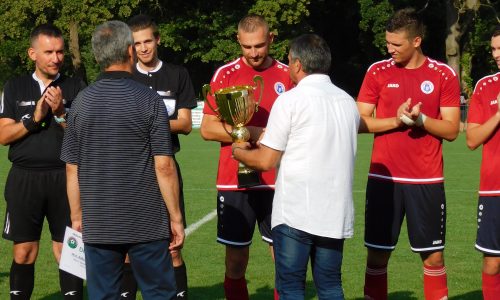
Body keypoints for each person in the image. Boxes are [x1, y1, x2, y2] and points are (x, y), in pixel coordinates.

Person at [60, 20, 184, 299]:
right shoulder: (149, 100)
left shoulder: (81, 102)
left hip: (99, 221)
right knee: (159, 293)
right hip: (147, 221)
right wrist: (175, 218)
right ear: (130, 51)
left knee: (103, 295)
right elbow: (163, 165)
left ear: (96, 56)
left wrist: (77, 216)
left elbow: (71, 167)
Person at [232, 33, 359, 299]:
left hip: (296, 212)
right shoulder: (348, 102)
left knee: (290, 287)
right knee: (331, 286)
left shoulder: (290, 100)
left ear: (298, 64)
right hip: (335, 212)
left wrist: (239, 151)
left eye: (289, 61)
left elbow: (267, 160)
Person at [357, 8, 460, 300]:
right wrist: (396, 121)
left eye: (397, 44)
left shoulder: (443, 74)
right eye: (388, 43)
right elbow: (359, 121)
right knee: (376, 257)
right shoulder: (377, 71)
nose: (390, 50)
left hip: (426, 181)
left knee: (433, 259)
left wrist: (421, 120)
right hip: (383, 180)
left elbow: (452, 130)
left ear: (416, 41)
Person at [200, 14, 293, 300]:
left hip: (278, 180)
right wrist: (249, 131)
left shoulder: (289, 75)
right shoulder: (224, 75)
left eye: (260, 46)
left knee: (285, 259)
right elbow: (207, 128)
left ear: (272, 39)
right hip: (234, 180)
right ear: (238, 41)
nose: (253, 53)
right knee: (236, 261)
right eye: (247, 46)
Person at [0, 24, 85, 299]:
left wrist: (61, 112)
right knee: (24, 252)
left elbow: (85, 136)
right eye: (48, 52)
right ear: (32, 53)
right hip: (25, 179)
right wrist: (34, 118)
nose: (56, 58)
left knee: (68, 252)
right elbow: (3, 135)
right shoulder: (15, 87)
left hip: (66, 178)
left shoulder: (75, 86)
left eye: (60, 51)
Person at [116, 14, 196, 300]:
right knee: (126, 249)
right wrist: (159, 120)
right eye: (137, 43)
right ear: (130, 47)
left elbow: (186, 123)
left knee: (173, 246)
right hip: (131, 170)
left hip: (166, 166)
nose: (143, 48)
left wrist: (143, 121)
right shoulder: (125, 76)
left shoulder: (177, 74)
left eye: (148, 40)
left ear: (158, 40)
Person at [465, 26, 500, 299]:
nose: (496, 54)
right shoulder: (485, 86)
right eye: (493, 49)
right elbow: (472, 139)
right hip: (494, 189)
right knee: (492, 263)